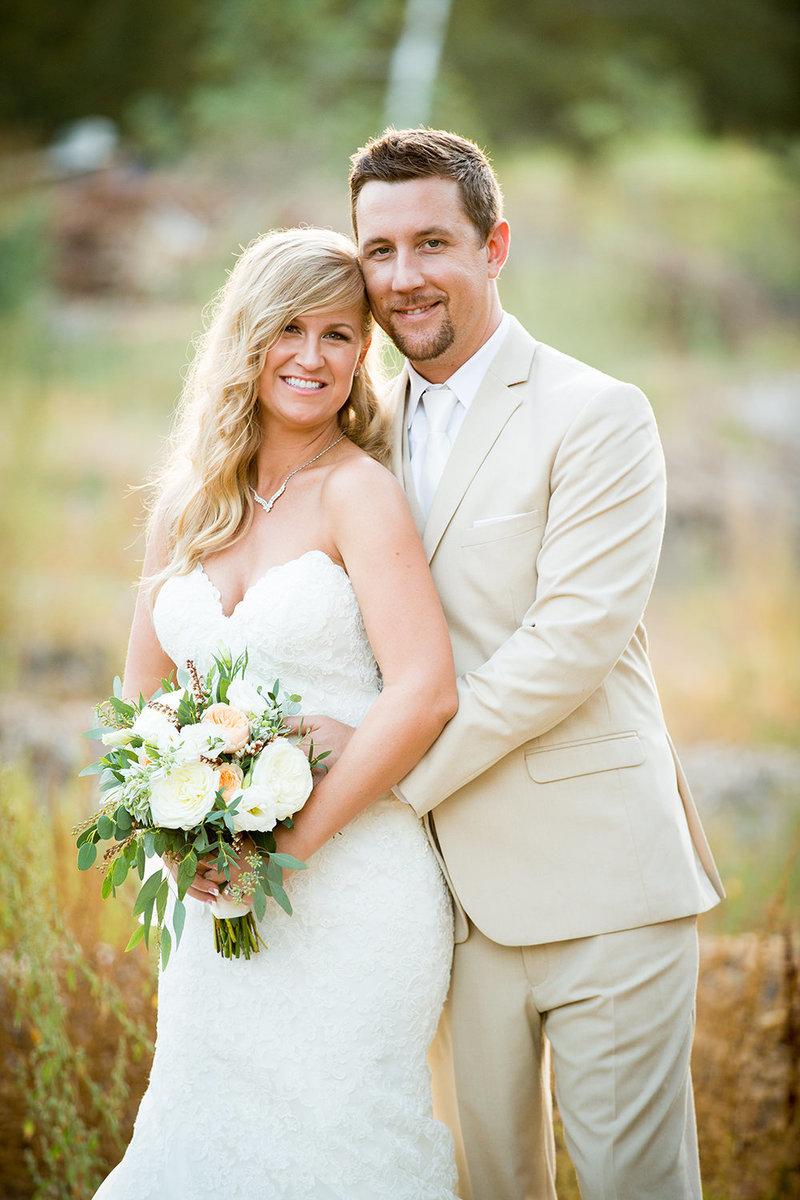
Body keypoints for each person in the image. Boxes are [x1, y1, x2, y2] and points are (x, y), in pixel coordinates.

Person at [328, 128, 723, 1199]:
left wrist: (386, 783)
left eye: (430, 244)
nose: (402, 279)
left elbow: (568, 645)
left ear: (493, 246)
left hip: (600, 887)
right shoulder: (356, 432)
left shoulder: (594, 414)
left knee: (630, 1186)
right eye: (377, 252)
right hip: (441, 910)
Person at [92, 227, 461, 1200]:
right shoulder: (186, 505)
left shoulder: (359, 494)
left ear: (361, 357)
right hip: (210, 905)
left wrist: (282, 853)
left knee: (341, 1147)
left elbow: (424, 691)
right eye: (287, 328)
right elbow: (140, 701)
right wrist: (181, 847)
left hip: (349, 895)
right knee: (204, 1144)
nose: (310, 356)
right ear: (245, 339)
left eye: (339, 335)